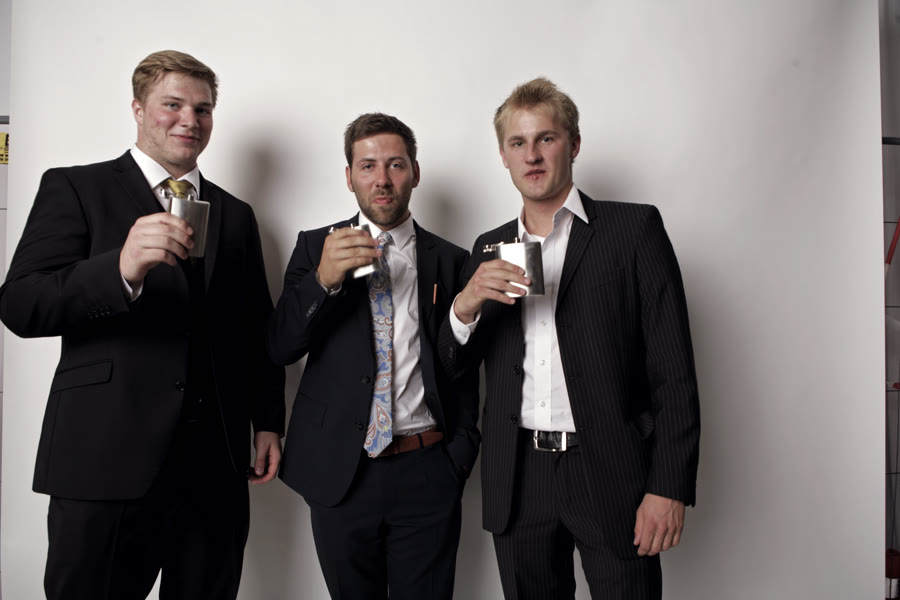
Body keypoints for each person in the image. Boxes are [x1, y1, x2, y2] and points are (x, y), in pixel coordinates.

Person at [0, 50, 285, 600]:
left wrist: (268, 420)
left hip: (214, 468)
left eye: (202, 109)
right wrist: (120, 270)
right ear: (137, 109)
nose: (189, 120)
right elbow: (20, 304)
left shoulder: (236, 213)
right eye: (172, 105)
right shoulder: (75, 188)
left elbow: (255, 327)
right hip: (103, 459)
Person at [438, 77, 701, 599]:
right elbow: (453, 369)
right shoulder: (489, 247)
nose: (532, 155)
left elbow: (673, 372)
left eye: (546, 138)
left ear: (574, 144)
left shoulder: (633, 230)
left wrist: (668, 487)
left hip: (610, 469)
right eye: (518, 142)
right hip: (519, 476)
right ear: (503, 156)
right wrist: (464, 306)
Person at [267, 113, 480, 599]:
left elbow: (464, 365)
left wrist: (459, 457)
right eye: (367, 166)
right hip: (340, 471)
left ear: (415, 172)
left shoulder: (452, 260)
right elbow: (280, 346)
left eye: (395, 165)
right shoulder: (314, 248)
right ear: (349, 177)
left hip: (428, 469)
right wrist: (323, 280)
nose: (381, 179)